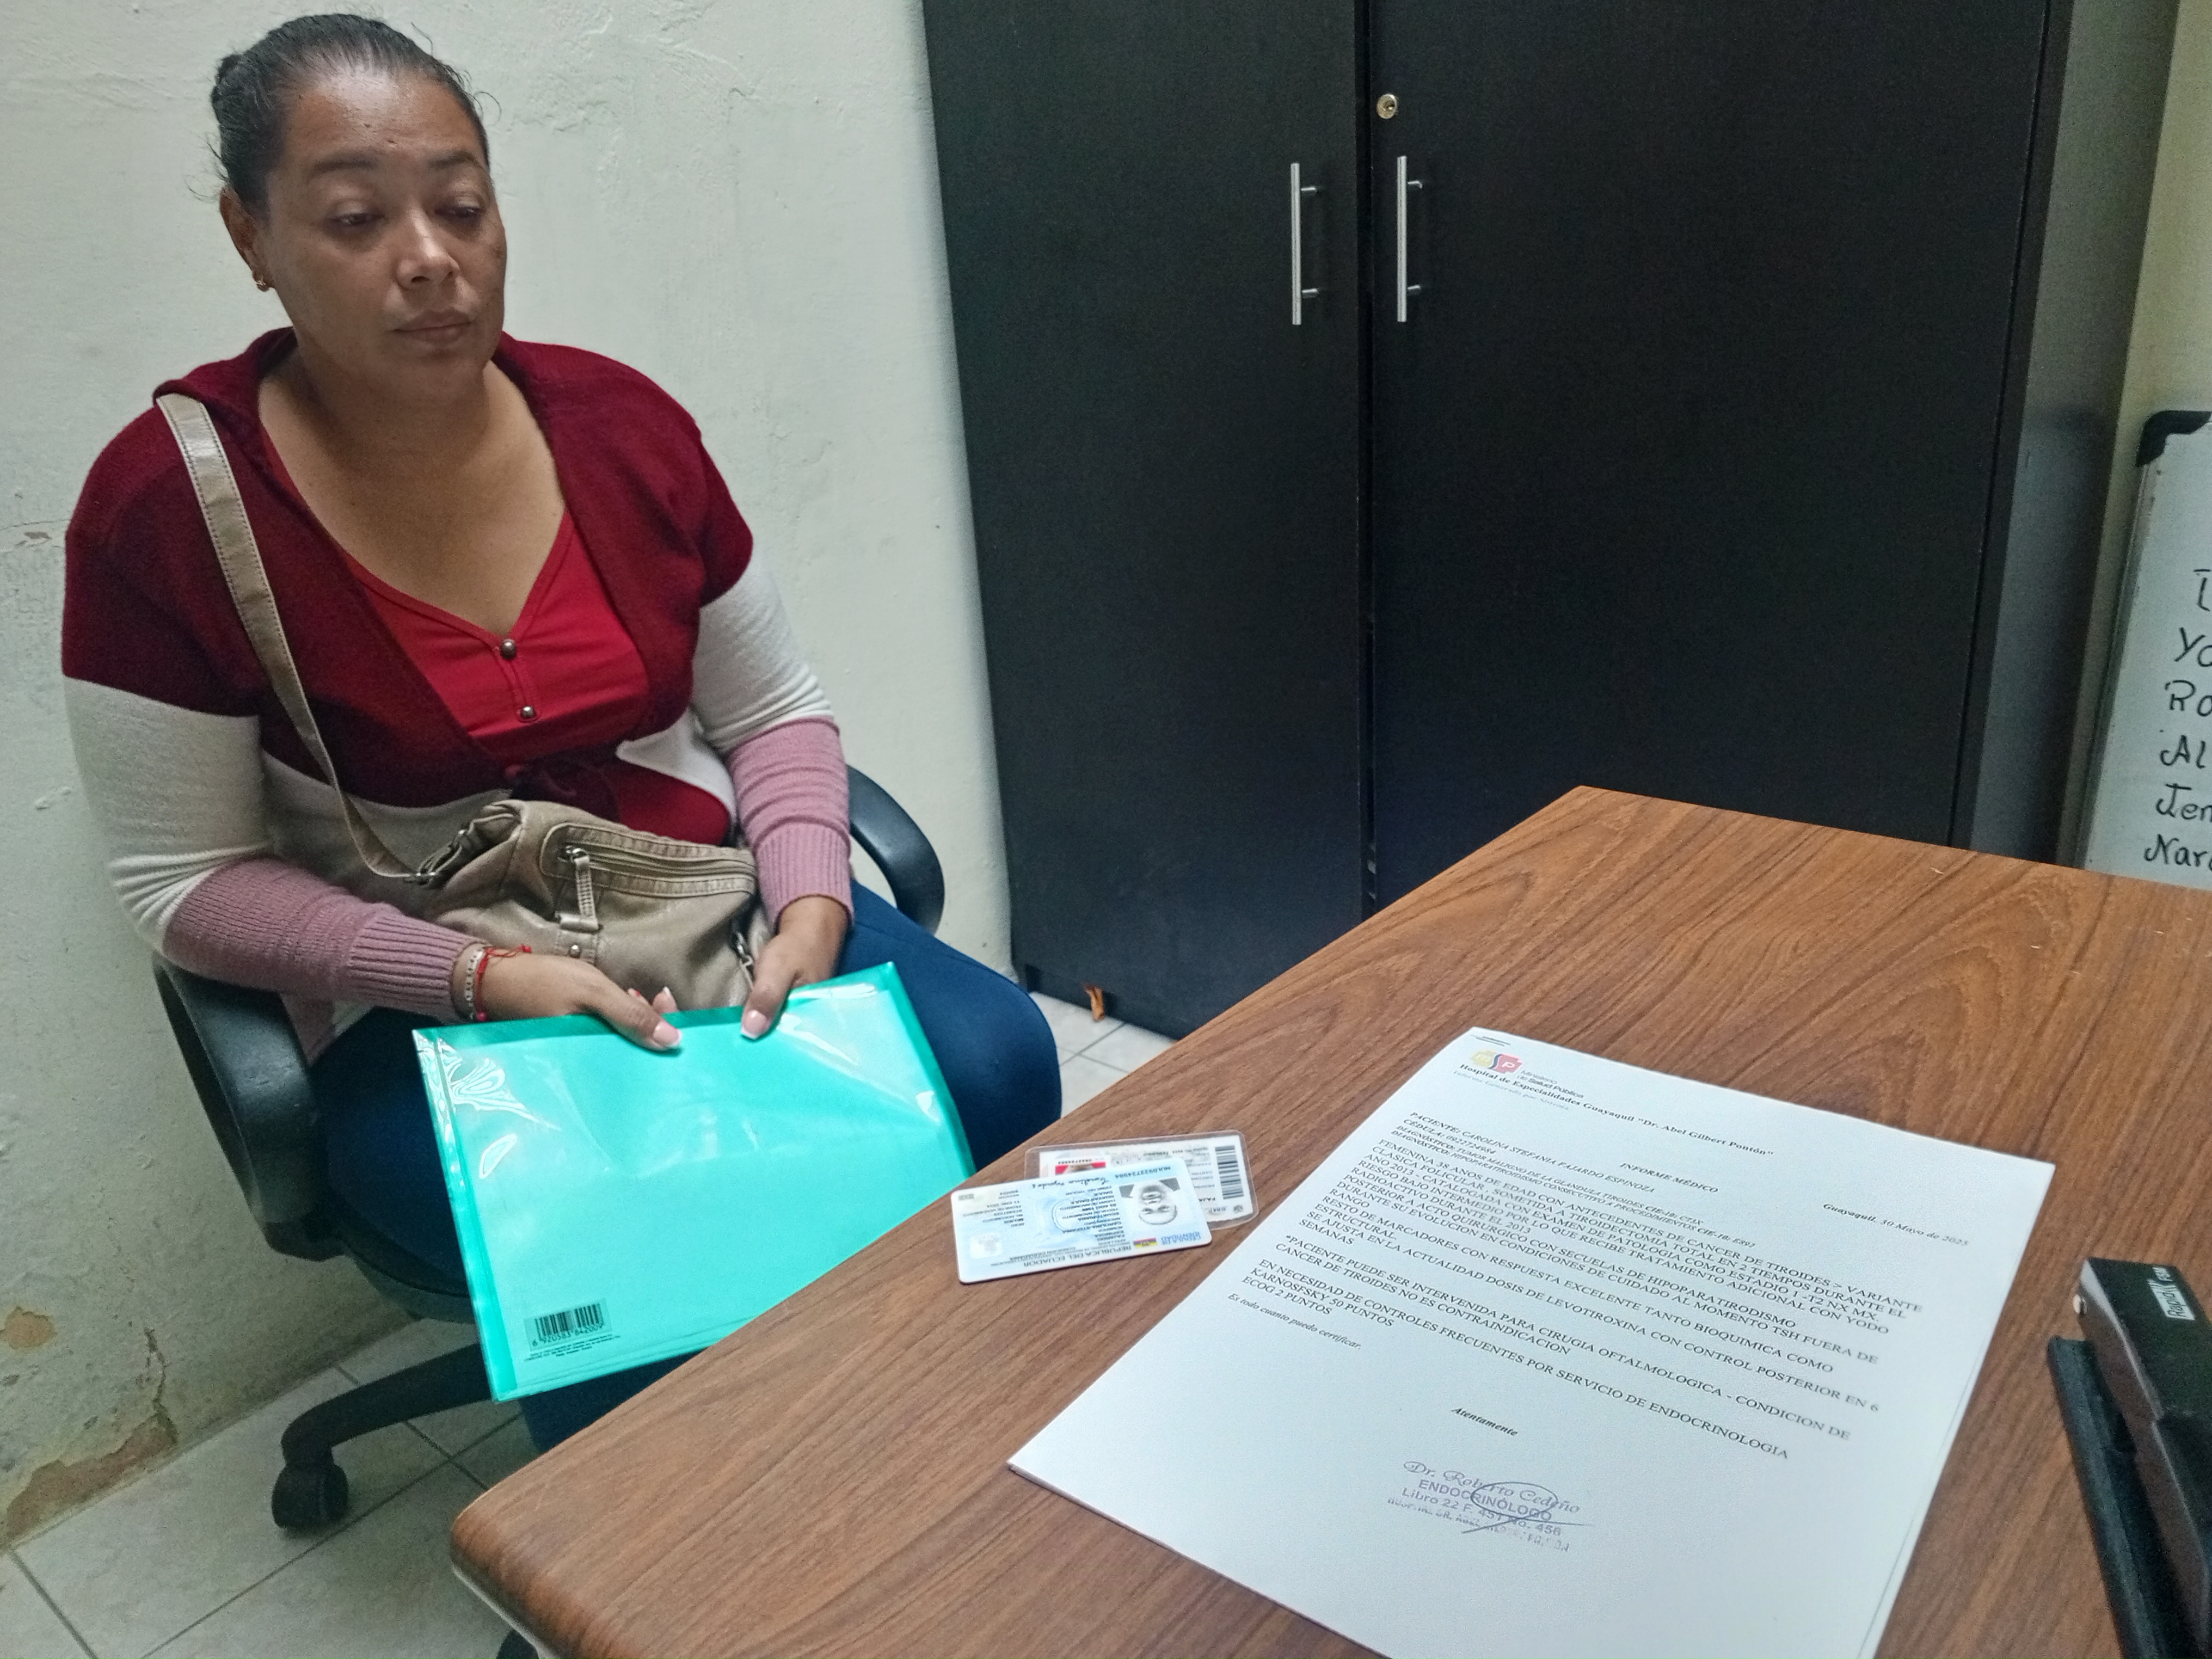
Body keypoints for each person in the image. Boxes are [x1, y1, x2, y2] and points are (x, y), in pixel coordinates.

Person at [63, 14, 1058, 1453]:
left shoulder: (620, 426)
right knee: (627, 1222)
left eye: (461, 206)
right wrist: (475, 977)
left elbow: (773, 711)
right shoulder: (165, 510)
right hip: (436, 988)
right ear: (250, 234)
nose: (430, 257)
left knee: (999, 1059)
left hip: (706, 913)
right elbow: (183, 883)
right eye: (355, 218)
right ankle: (674, 1541)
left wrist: (811, 898)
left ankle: (951, 1452)